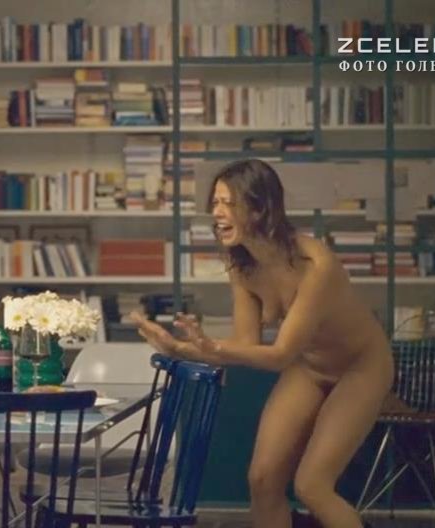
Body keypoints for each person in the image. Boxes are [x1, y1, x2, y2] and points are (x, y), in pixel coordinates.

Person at [131, 159, 392, 528]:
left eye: (228, 203)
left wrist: (211, 347)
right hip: (310, 365)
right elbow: (245, 344)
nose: (217, 213)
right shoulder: (243, 263)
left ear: (259, 209)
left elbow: (279, 355)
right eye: (215, 202)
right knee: (263, 481)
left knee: (312, 486)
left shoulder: (316, 265)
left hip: (361, 366)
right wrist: (179, 348)